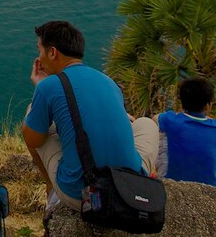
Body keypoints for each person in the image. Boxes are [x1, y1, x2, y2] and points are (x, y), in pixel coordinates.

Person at [21, 20, 159, 211]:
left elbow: (33, 139)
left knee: (33, 119)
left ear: (52, 52)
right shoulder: (108, 81)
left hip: (84, 194)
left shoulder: (48, 86)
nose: (39, 57)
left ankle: (53, 193)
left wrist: (40, 89)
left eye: (40, 50)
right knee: (147, 124)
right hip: (128, 186)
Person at [156, 77, 216, 186]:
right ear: (208, 106)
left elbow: (155, 118)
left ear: (182, 102)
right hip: (209, 187)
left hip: (171, 183)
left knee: (163, 134)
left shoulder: (171, 120)